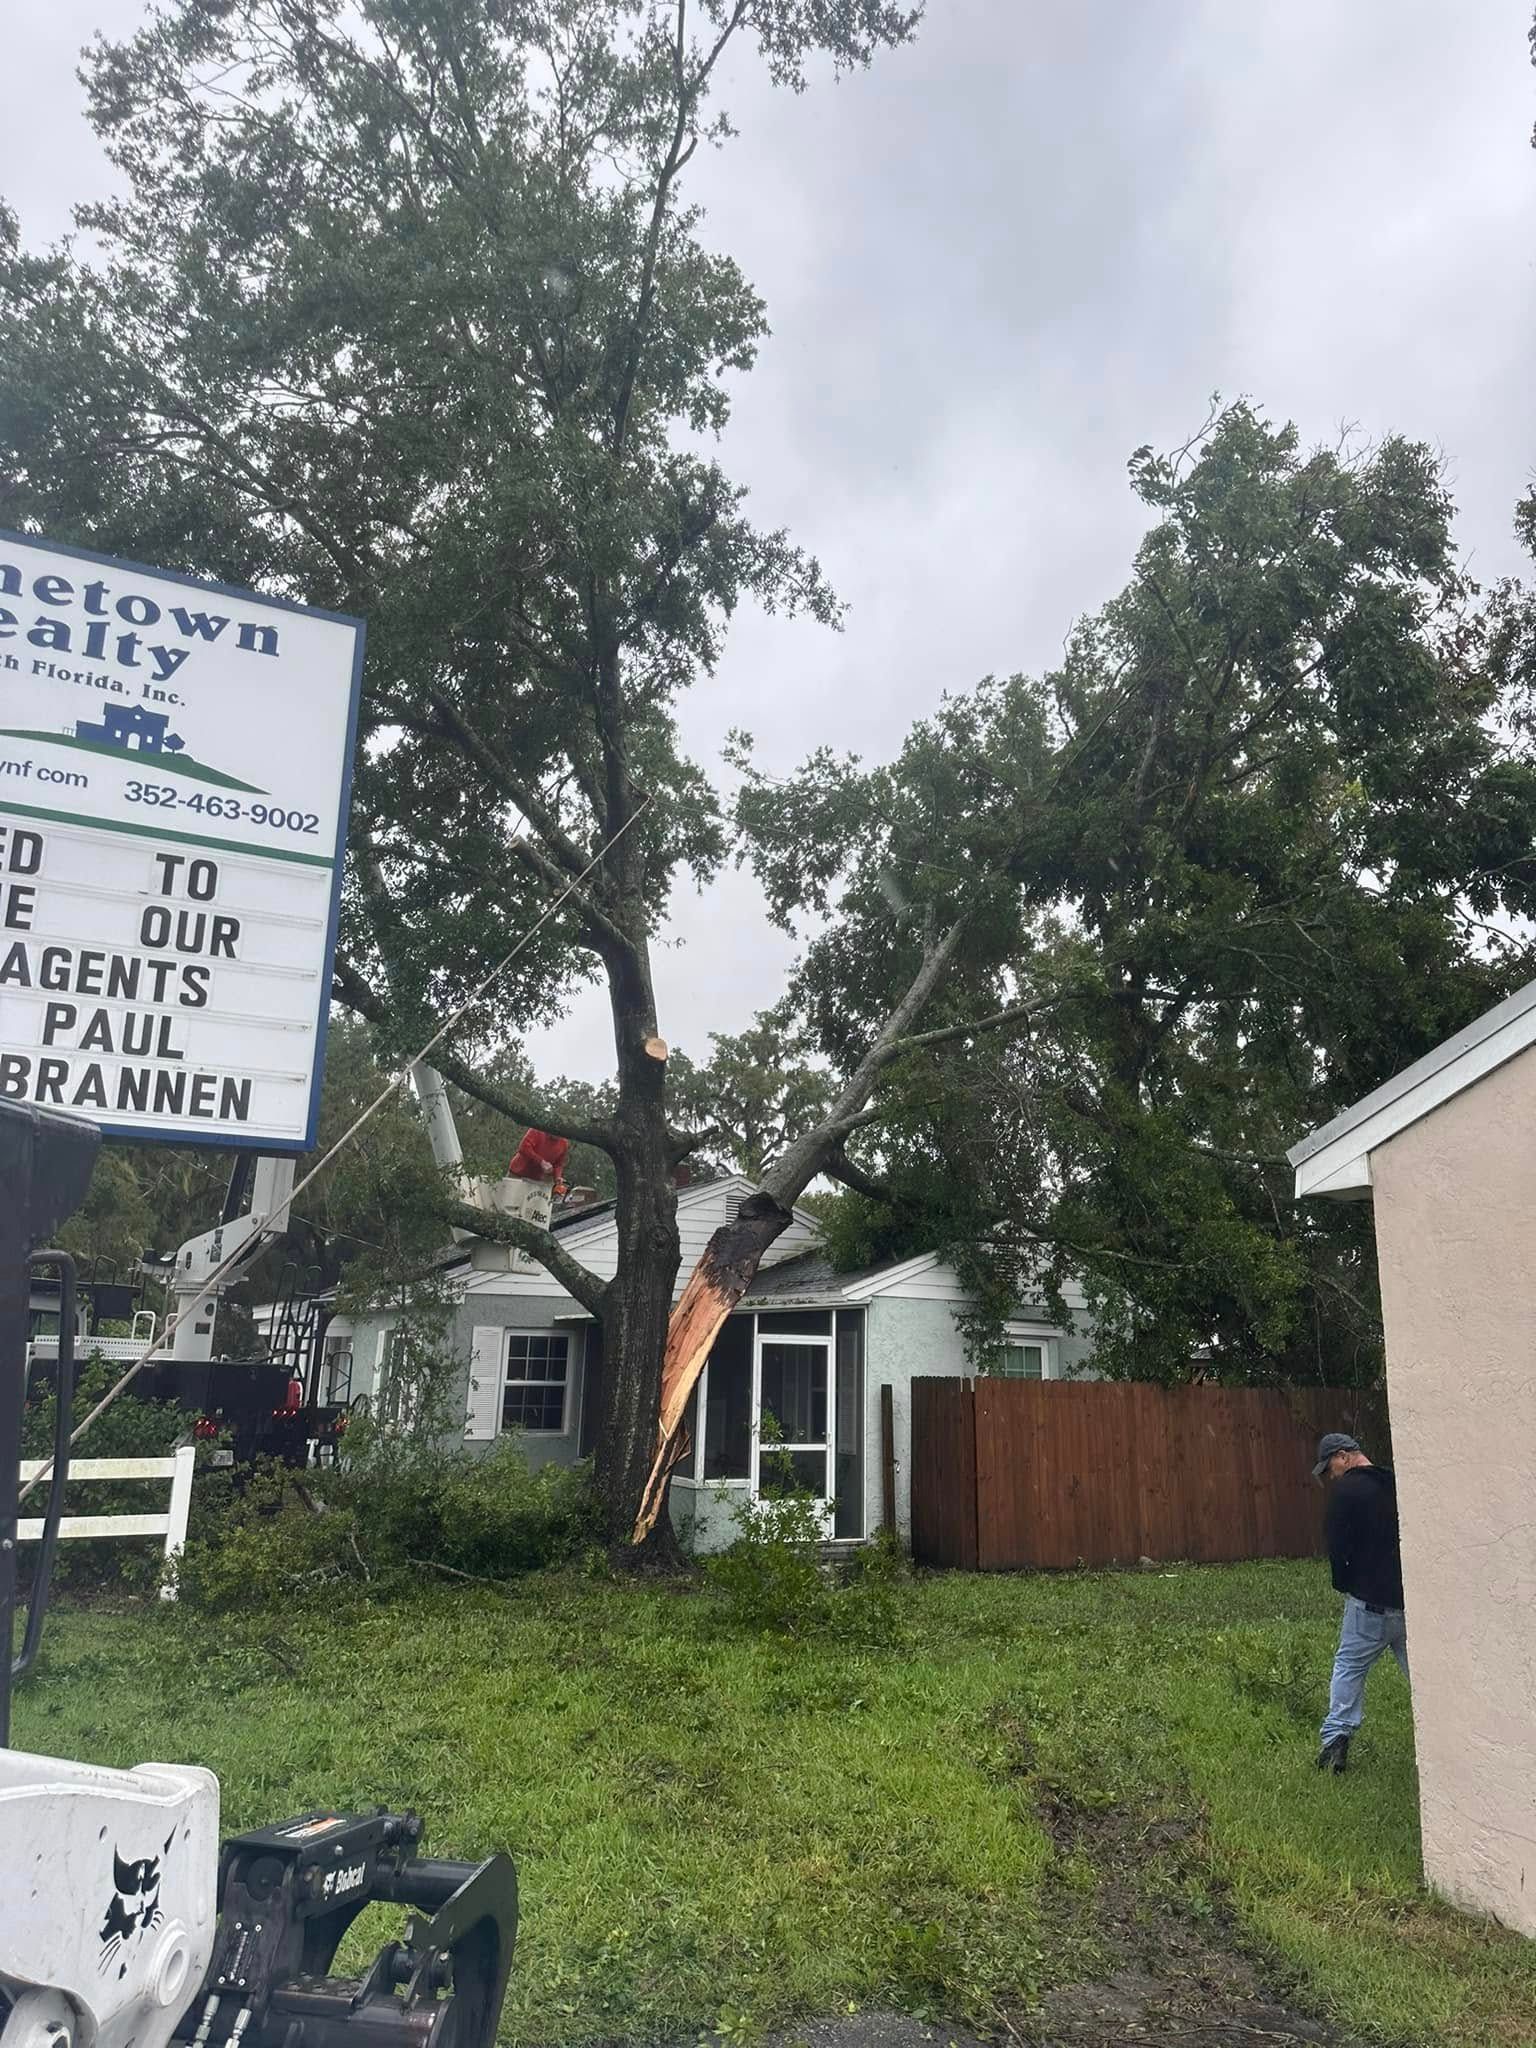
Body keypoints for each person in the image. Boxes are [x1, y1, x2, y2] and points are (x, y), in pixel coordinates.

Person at [1313, 1431, 1408, 1773]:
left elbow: (1338, 1548)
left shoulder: (1346, 1493)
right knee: (1425, 1676)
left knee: (1349, 1667)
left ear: (1343, 1456)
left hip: (1368, 1604)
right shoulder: (1396, 1484)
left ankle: (1336, 1741)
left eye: (1330, 1467)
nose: (1331, 1475)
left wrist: (1344, 1583)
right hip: (1408, 1603)